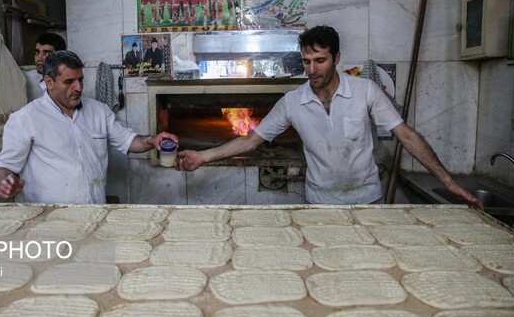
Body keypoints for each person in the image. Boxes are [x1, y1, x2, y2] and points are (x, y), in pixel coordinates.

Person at [175, 25, 483, 210]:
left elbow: (406, 134)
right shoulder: (292, 102)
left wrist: (448, 182)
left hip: (368, 201)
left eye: (320, 60)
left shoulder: (366, 91)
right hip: (320, 203)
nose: (312, 70)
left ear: (336, 58)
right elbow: (252, 140)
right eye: (307, 61)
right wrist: (204, 157)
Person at [0, 51, 177, 203]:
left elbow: (129, 141)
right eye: (69, 81)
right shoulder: (26, 118)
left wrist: (152, 140)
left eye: (80, 79)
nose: (78, 87)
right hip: (50, 219)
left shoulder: (98, 110)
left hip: (95, 212)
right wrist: (5, 181)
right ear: (49, 82)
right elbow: (3, 166)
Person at [24, 33, 66, 101]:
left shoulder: (67, 88)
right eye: (37, 53)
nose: (39, 58)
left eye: (47, 54)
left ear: (60, 57)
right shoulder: (44, 85)